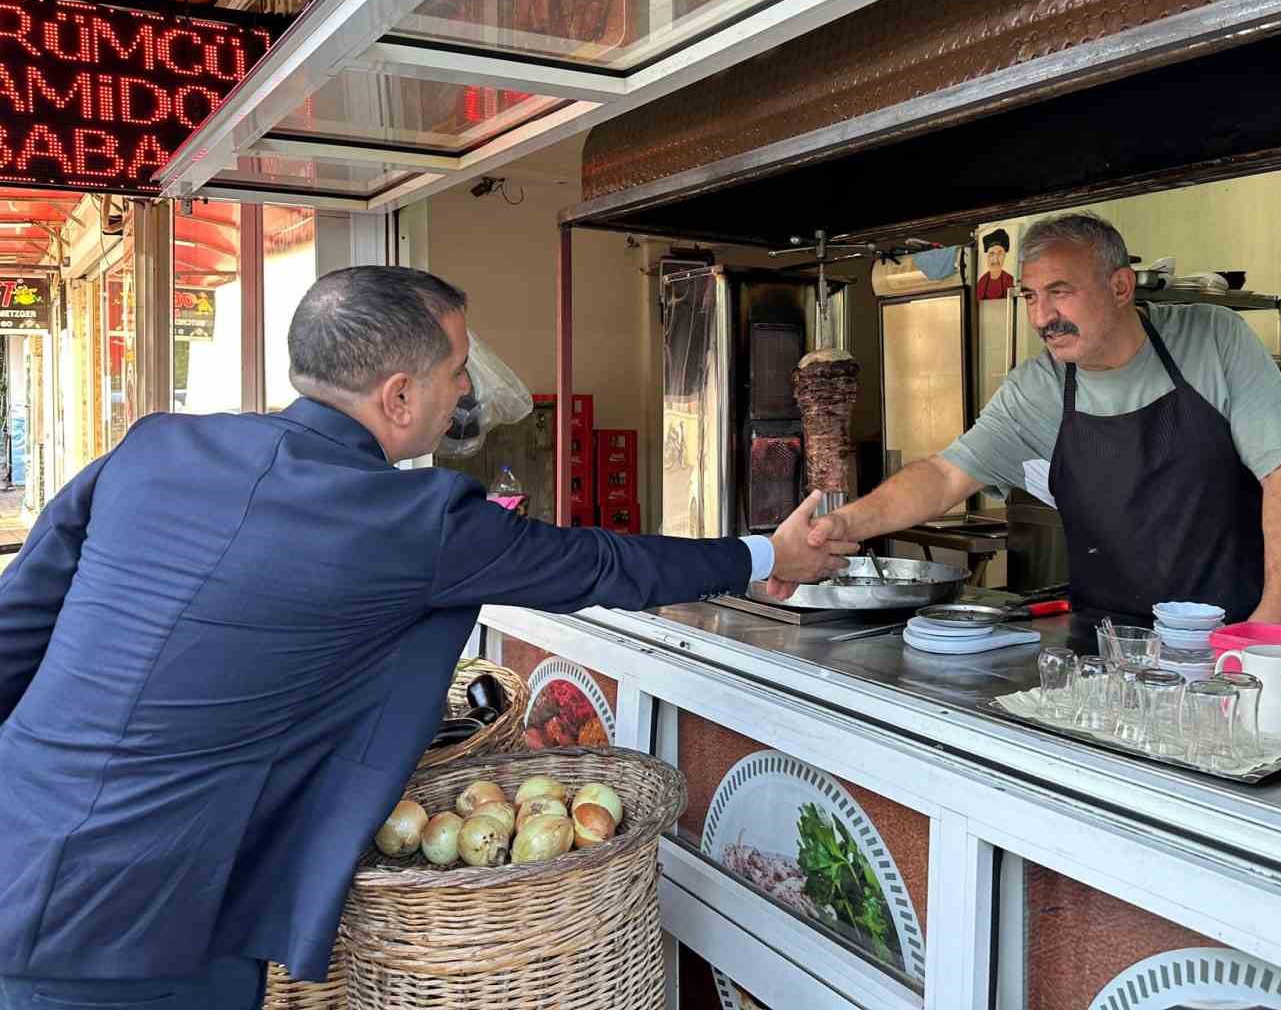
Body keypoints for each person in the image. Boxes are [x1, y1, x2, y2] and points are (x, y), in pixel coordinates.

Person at [0, 266, 852, 1010]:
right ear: (399, 396)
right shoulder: (409, 521)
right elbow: (595, 563)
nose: (463, 396)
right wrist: (763, 554)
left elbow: (18, 627)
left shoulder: (155, 447)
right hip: (146, 916)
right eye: (455, 373)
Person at [811, 212, 1281, 626]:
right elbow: (946, 474)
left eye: (1060, 291)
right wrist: (846, 521)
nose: (1040, 317)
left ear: (1121, 287)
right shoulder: (1039, 385)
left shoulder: (1212, 339)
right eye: (1031, 296)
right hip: (1106, 643)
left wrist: (1279, 611)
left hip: (1235, 634)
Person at [975, 228, 1015, 300]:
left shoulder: (1009, 280)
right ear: (986, 257)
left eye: (1000, 253)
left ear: (1005, 255)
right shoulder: (982, 282)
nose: (995, 259)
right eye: (991, 254)